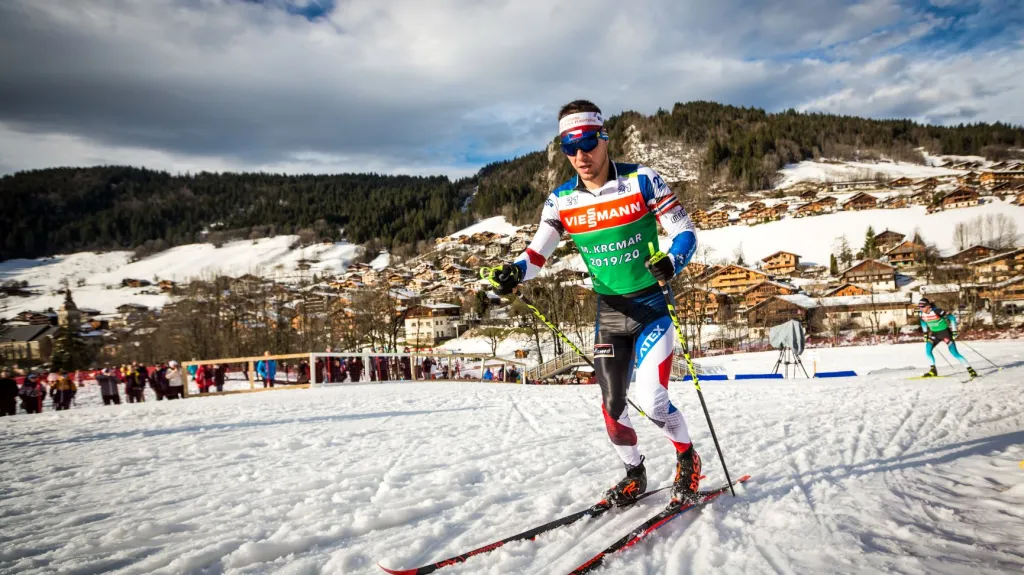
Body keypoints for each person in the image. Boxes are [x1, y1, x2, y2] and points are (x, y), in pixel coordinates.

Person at [483, 100, 702, 507]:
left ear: (605, 139)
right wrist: (514, 271)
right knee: (612, 409)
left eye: (587, 142)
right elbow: (535, 254)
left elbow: (685, 231)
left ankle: (687, 458)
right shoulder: (562, 200)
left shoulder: (642, 180)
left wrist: (671, 261)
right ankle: (634, 473)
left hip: (652, 306)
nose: (580, 156)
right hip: (612, 313)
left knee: (653, 399)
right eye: (570, 146)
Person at [917, 298, 977, 379]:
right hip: (935, 334)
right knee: (928, 350)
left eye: (922, 306)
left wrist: (954, 331)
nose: (921, 308)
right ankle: (933, 371)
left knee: (954, 353)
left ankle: (970, 370)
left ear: (928, 306)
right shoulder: (921, 314)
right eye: (919, 306)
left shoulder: (936, 311)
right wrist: (925, 334)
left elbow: (952, 318)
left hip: (945, 334)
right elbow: (923, 322)